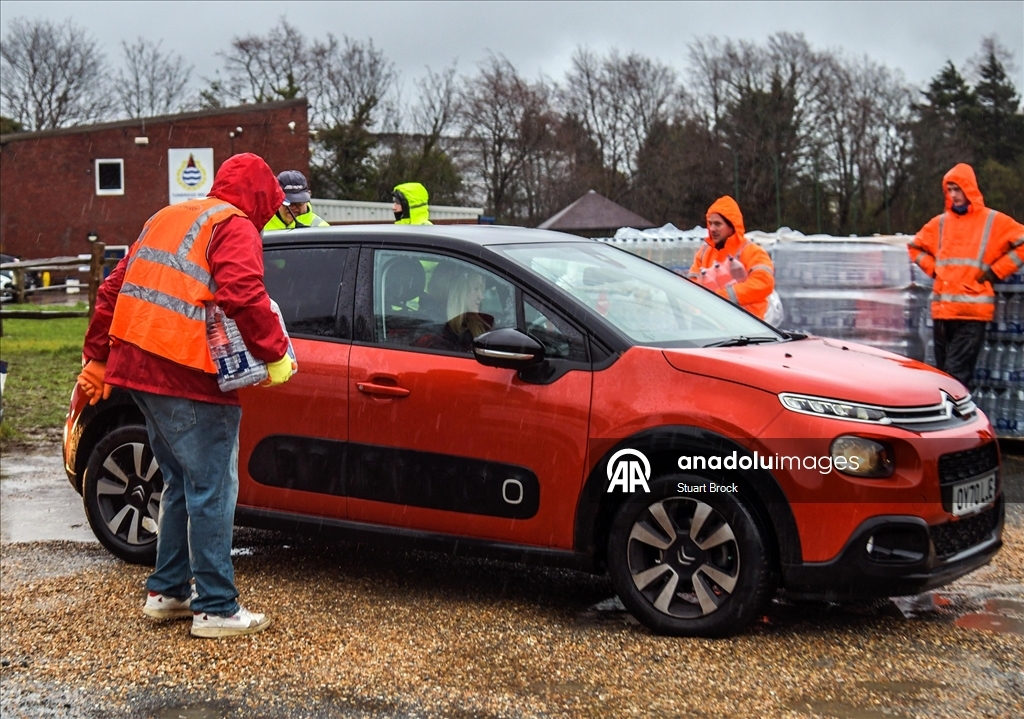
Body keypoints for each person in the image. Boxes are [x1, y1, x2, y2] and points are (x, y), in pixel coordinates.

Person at [78, 153, 295, 639]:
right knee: (213, 488)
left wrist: (97, 356)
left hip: (138, 367)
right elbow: (243, 293)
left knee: (179, 481)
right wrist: (275, 352)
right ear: (261, 197)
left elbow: (112, 289)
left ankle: (168, 590)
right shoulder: (234, 224)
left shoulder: (168, 217)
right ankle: (216, 607)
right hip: (186, 372)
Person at [908, 163, 1024, 387]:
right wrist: (934, 269)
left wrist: (996, 272)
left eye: (958, 189)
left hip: (971, 314)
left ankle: (955, 410)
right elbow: (914, 247)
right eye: (949, 190)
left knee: (954, 377)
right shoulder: (940, 223)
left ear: (969, 189)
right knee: (943, 377)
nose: (953, 195)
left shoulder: (992, 221)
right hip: (943, 313)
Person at [688, 195, 775, 319]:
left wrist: (722, 296)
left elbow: (763, 283)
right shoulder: (704, 252)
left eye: (718, 224)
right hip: (709, 322)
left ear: (732, 227)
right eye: (710, 223)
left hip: (747, 323)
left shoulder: (752, 251)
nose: (712, 229)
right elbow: (691, 285)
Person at [417, 269, 493, 352]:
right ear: (460, 291)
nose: (481, 297)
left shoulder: (479, 324)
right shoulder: (435, 333)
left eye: (482, 290)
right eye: (476, 289)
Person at [263, 170, 329, 231]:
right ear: (276, 199)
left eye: (299, 202)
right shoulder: (261, 227)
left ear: (308, 197)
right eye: (287, 202)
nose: (293, 207)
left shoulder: (322, 229)